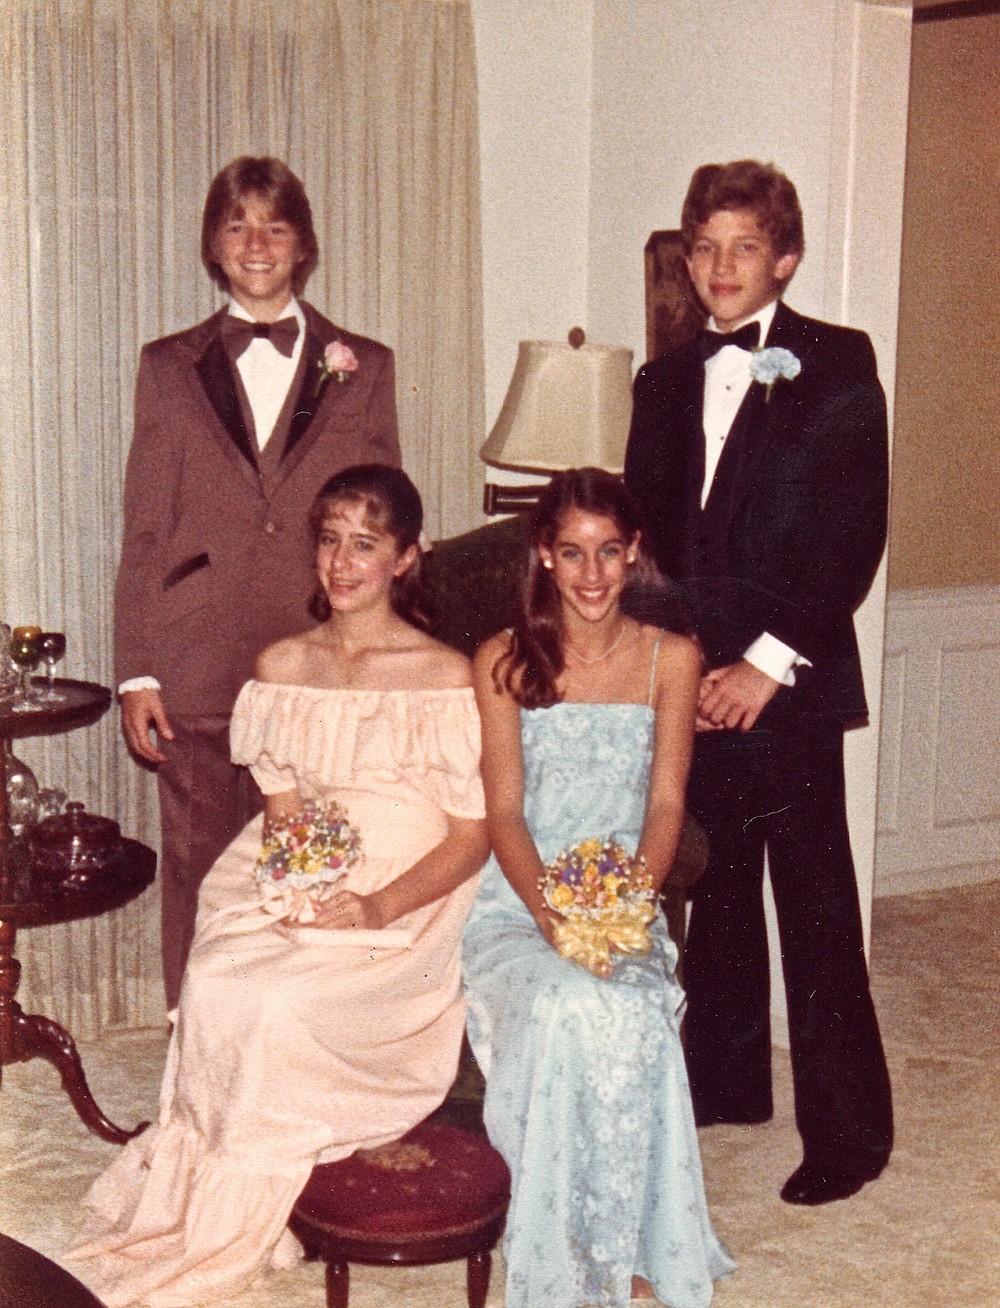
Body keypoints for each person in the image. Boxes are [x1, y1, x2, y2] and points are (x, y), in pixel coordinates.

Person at [71, 465, 487, 1306]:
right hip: (304, 865)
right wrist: (299, 884)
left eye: (365, 545)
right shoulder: (283, 663)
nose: (342, 563)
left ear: (407, 557)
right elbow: (284, 811)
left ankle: (256, 1194)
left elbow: (472, 836)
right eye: (329, 541)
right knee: (218, 975)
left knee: (275, 1003)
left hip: (408, 892)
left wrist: (372, 905)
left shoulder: (445, 674)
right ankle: (204, 1192)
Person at [624, 159, 893, 1206]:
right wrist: (678, 663)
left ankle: (849, 1138)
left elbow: (851, 534)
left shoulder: (837, 363)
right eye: (705, 248)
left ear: (784, 258)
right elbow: (648, 543)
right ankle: (725, 1083)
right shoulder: (660, 382)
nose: (721, 266)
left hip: (790, 675)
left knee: (815, 902)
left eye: (744, 248)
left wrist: (766, 664)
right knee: (719, 884)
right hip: (694, 672)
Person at [114, 156, 401, 1010]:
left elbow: (384, 519)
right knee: (199, 862)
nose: (257, 243)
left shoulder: (365, 364)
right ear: (213, 244)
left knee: (311, 854)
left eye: (276, 226)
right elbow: (145, 526)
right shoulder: (169, 365)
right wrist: (138, 671)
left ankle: (290, 1040)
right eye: (237, 225)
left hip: (319, 652)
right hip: (196, 652)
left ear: (304, 245)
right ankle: (192, 1036)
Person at [462, 468, 733, 1308]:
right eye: (572, 552)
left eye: (609, 552)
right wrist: (553, 919)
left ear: (634, 553)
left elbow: (665, 804)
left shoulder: (672, 659)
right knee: (564, 1003)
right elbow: (505, 814)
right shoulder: (503, 659)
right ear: (544, 554)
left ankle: (633, 1246)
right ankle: (564, 1255)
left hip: (625, 902)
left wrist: (627, 910)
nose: (591, 574)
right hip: (519, 906)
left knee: (625, 1004)